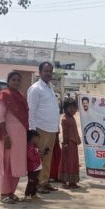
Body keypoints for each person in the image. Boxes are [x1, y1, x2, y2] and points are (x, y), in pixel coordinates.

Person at [0, 71, 29, 204]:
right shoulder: (4, 95)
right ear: (8, 81)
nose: (16, 82)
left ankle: (11, 192)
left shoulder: (21, 96)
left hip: (20, 137)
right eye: (13, 80)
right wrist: (5, 135)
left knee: (17, 164)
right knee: (6, 164)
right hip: (8, 136)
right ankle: (4, 194)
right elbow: (0, 117)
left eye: (18, 80)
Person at [27, 62, 61, 194]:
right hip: (40, 129)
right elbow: (31, 110)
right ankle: (37, 185)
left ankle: (44, 182)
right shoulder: (35, 89)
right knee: (38, 157)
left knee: (47, 158)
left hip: (51, 129)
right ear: (40, 72)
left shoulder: (50, 88)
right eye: (46, 71)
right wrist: (32, 130)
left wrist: (56, 127)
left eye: (50, 71)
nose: (48, 73)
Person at [59, 99, 81, 189]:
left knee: (74, 162)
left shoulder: (72, 117)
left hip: (73, 143)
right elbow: (64, 133)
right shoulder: (65, 119)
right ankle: (67, 181)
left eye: (74, 107)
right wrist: (65, 144)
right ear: (65, 108)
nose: (73, 109)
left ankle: (72, 181)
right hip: (68, 143)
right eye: (70, 107)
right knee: (68, 162)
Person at [24, 130, 47, 201]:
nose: (38, 140)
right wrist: (39, 155)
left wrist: (42, 153)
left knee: (35, 181)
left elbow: (37, 154)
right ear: (33, 138)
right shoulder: (29, 147)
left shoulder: (34, 146)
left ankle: (33, 194)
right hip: (33, 168)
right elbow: (31, 157)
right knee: (31, 181)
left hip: (37, 167)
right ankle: (27, 195)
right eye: (37, 138)